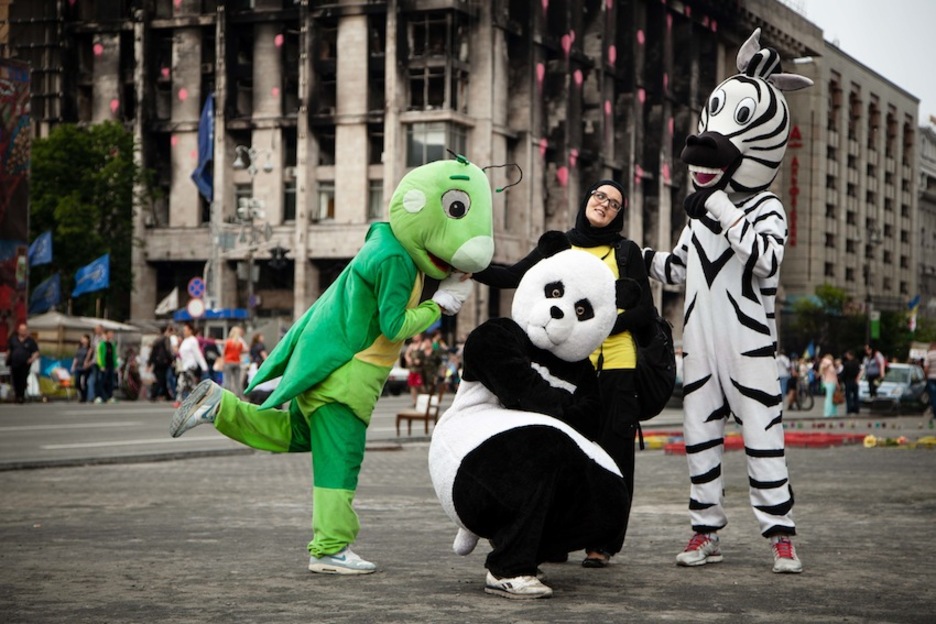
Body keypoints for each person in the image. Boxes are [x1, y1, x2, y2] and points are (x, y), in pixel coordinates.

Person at [168, 156, 493, 576]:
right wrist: (439, 305)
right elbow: (394, 326)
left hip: (328, 375)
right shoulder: (396, 260)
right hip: (347, 380)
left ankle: (220, 406)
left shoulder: (387, 246)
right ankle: (329, 548)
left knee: (296, 433)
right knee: (340, 461)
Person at [644, 31, 808, 574]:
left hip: (750, 347)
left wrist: (721, 206)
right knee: (699, 440)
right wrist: (632, 257)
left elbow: (765, 260)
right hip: (699, 349)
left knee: (764, 440)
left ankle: (780, 535)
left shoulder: (766, 210)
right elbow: (679, 268)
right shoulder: (701, 218)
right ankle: (704, 530)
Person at [473, 177, 654, 568]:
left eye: (614, 203)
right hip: (565, 372)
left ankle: (602, 542)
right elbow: (513, 276)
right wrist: (470, 268)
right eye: (599, 196)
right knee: (556, 452)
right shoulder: (559, 246)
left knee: (613, 454)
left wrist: (602, 326)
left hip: (615, 367)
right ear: (587, 197)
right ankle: (552, 538)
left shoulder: (626, 252)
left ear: (619, 214)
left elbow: (644, 312)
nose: (604, 204)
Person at [175, 323, 208, 404]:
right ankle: (197, 399)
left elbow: (198, 354)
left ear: (190, 331)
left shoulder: (193, 340)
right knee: (187, 384)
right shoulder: (185, 341)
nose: (184, 332)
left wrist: (204, 367)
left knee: (185, 383)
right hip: (184, 366)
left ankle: (179, 400)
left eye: (185, 330)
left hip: (191, 365)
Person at [6, 322, 39, 404]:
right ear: (18, 330)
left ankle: (21, 396)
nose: (23, 331)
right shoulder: (13, 339)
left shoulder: (30, 341)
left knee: (23, 379)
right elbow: (9, 350)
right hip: (14, 363)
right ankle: (17, 396)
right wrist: (7, 358)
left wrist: (32, 359)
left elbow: (36, 352)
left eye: (24, 330)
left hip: (25, 364)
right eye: (21, 330)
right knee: (15, 380)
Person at [221, 326, 248, 398]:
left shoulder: (228, 342)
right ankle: (239, 396)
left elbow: (224, 353)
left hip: (228, 362)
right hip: (237, 363)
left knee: (228, 380)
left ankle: (227, 396)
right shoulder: (239, 343)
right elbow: (243, 351)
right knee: (237, 381)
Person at [95, 329, 118, 403]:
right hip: (104, 366)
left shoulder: (112, 344)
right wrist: (101, 365)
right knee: (101, 381)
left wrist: (115, 365)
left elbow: (114, 355)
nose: (112, 335)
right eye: (110, 333)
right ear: (106, 334)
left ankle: (109, 396)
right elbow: (99, 355)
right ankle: (100, 397)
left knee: (110, 382)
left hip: (110, 365)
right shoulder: (101, 344)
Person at [85, 324, 105, 402]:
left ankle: (101, 396)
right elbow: (91, 349)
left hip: (102, 363)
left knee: (99, 380)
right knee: (93, 379)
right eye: (95, 329)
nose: (96, 331)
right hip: (95, 361)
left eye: (97, 329)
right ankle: (92, 397)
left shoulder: (104, 338)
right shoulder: (95, 338)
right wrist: (87, 360)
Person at [72, 334, 92, 403]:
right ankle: (82, 393)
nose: (83, 340)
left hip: (85, 368)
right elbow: (76, 357)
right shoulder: (79, 348)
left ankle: (84, 397)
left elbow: (91, 358)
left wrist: (88, 364)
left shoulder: (90, 349)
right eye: (82, 339)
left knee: (84, 382)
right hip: (78, 367)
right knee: (77, 382)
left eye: (85, 339)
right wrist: (73, 366)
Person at [840, 350, 862, 415]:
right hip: (855, 381)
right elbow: (858, 371)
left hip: (848, 381)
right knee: (856, 396)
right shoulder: (857, 362)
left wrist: (841, 379)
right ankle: (856, 409)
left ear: (850, 355)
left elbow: (844, 373)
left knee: (848, 396)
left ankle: (849, 409)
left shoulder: (847, 364)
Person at [818, 352, 839, 418]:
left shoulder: (831, 365)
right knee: (829, 398)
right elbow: (821, 371)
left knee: (833, 399)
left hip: (832, 383)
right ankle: (827, 413)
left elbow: (834, 375)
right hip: (829, 382)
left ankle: (833, 413)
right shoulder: (826, 363)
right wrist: (828, 363)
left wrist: (837, 384)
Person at [923, 342, 936, 418]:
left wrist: (925, 377)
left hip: (931, 378)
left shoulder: (929, 355)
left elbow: (926, 368)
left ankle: (935, 412)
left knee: (934, 396)